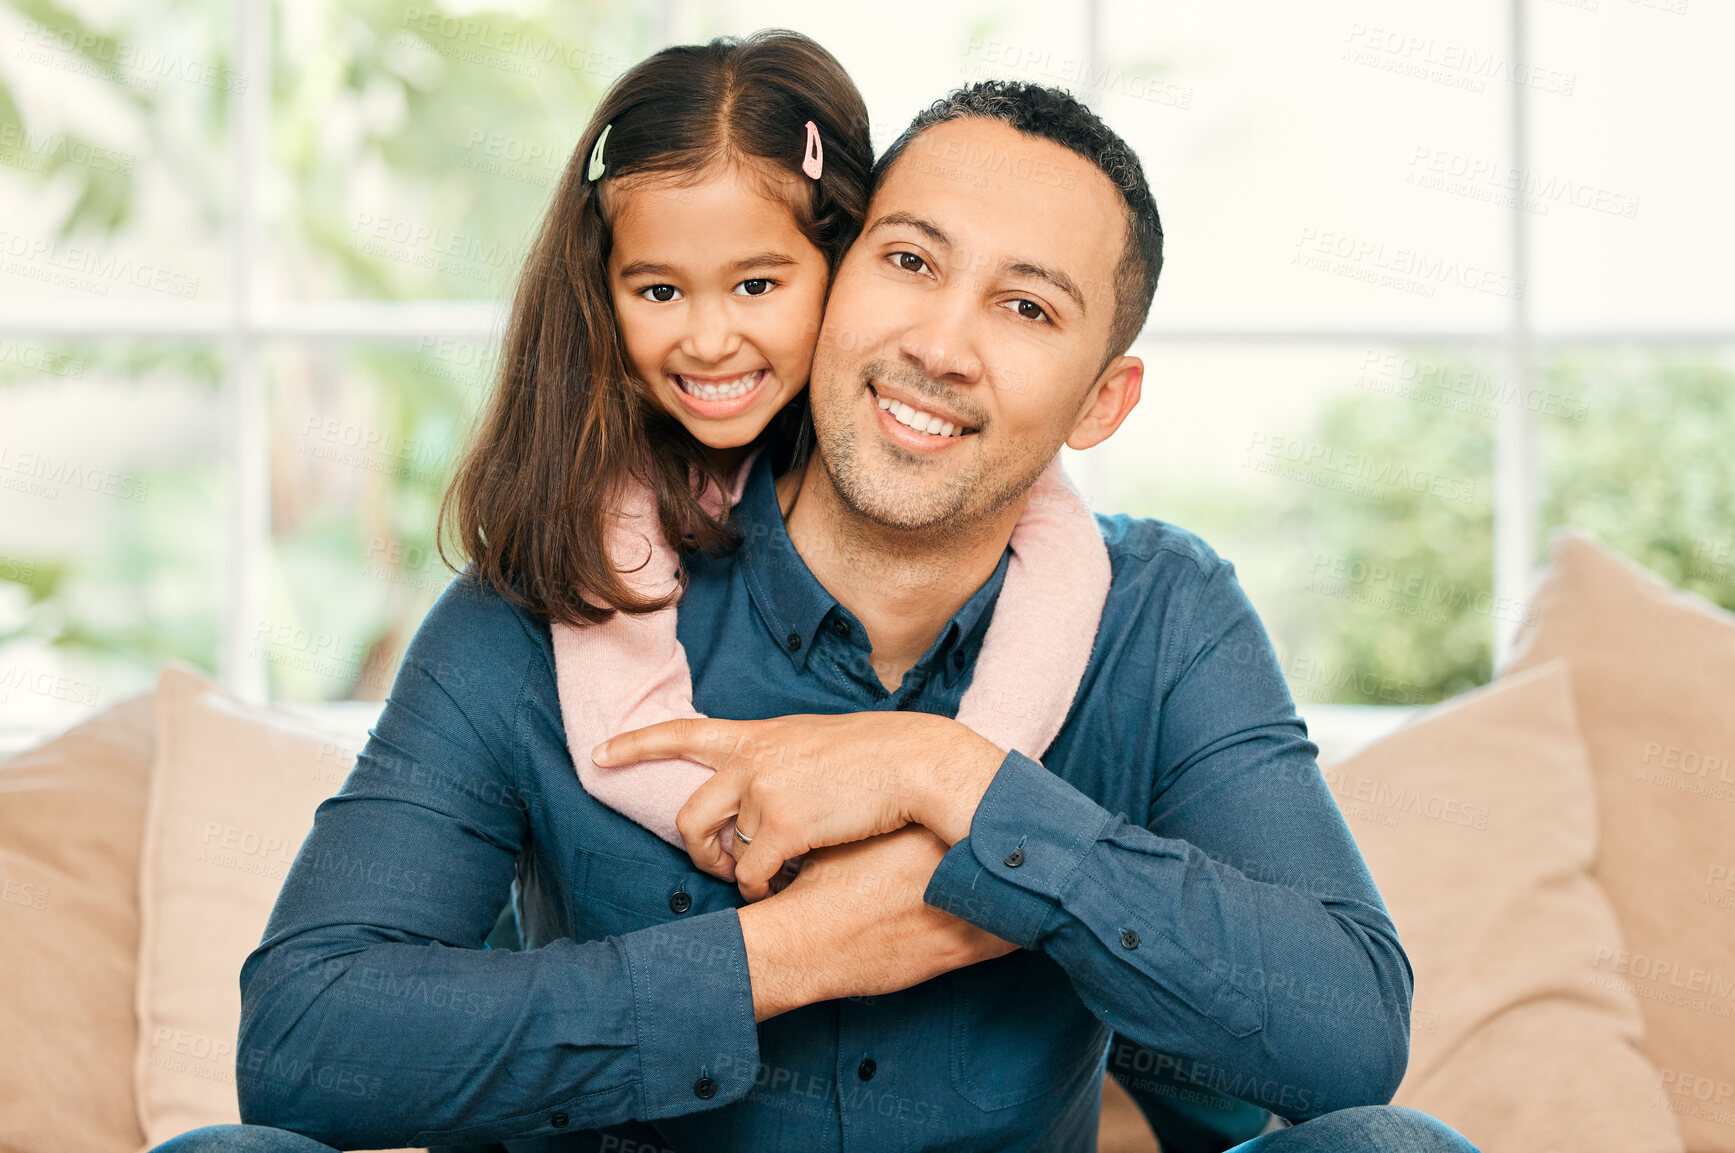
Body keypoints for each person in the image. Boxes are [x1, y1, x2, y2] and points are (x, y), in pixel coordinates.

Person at [155, 60, 1481, 1153]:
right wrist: (789, 952)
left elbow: (1346, 1032)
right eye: (910, 262)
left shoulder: (1161, 616)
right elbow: (302, 1043)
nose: (940, 345)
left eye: (1025, 305)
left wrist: (943, 776)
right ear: (835, 273)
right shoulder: (554, 594)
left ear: (1101, 400)